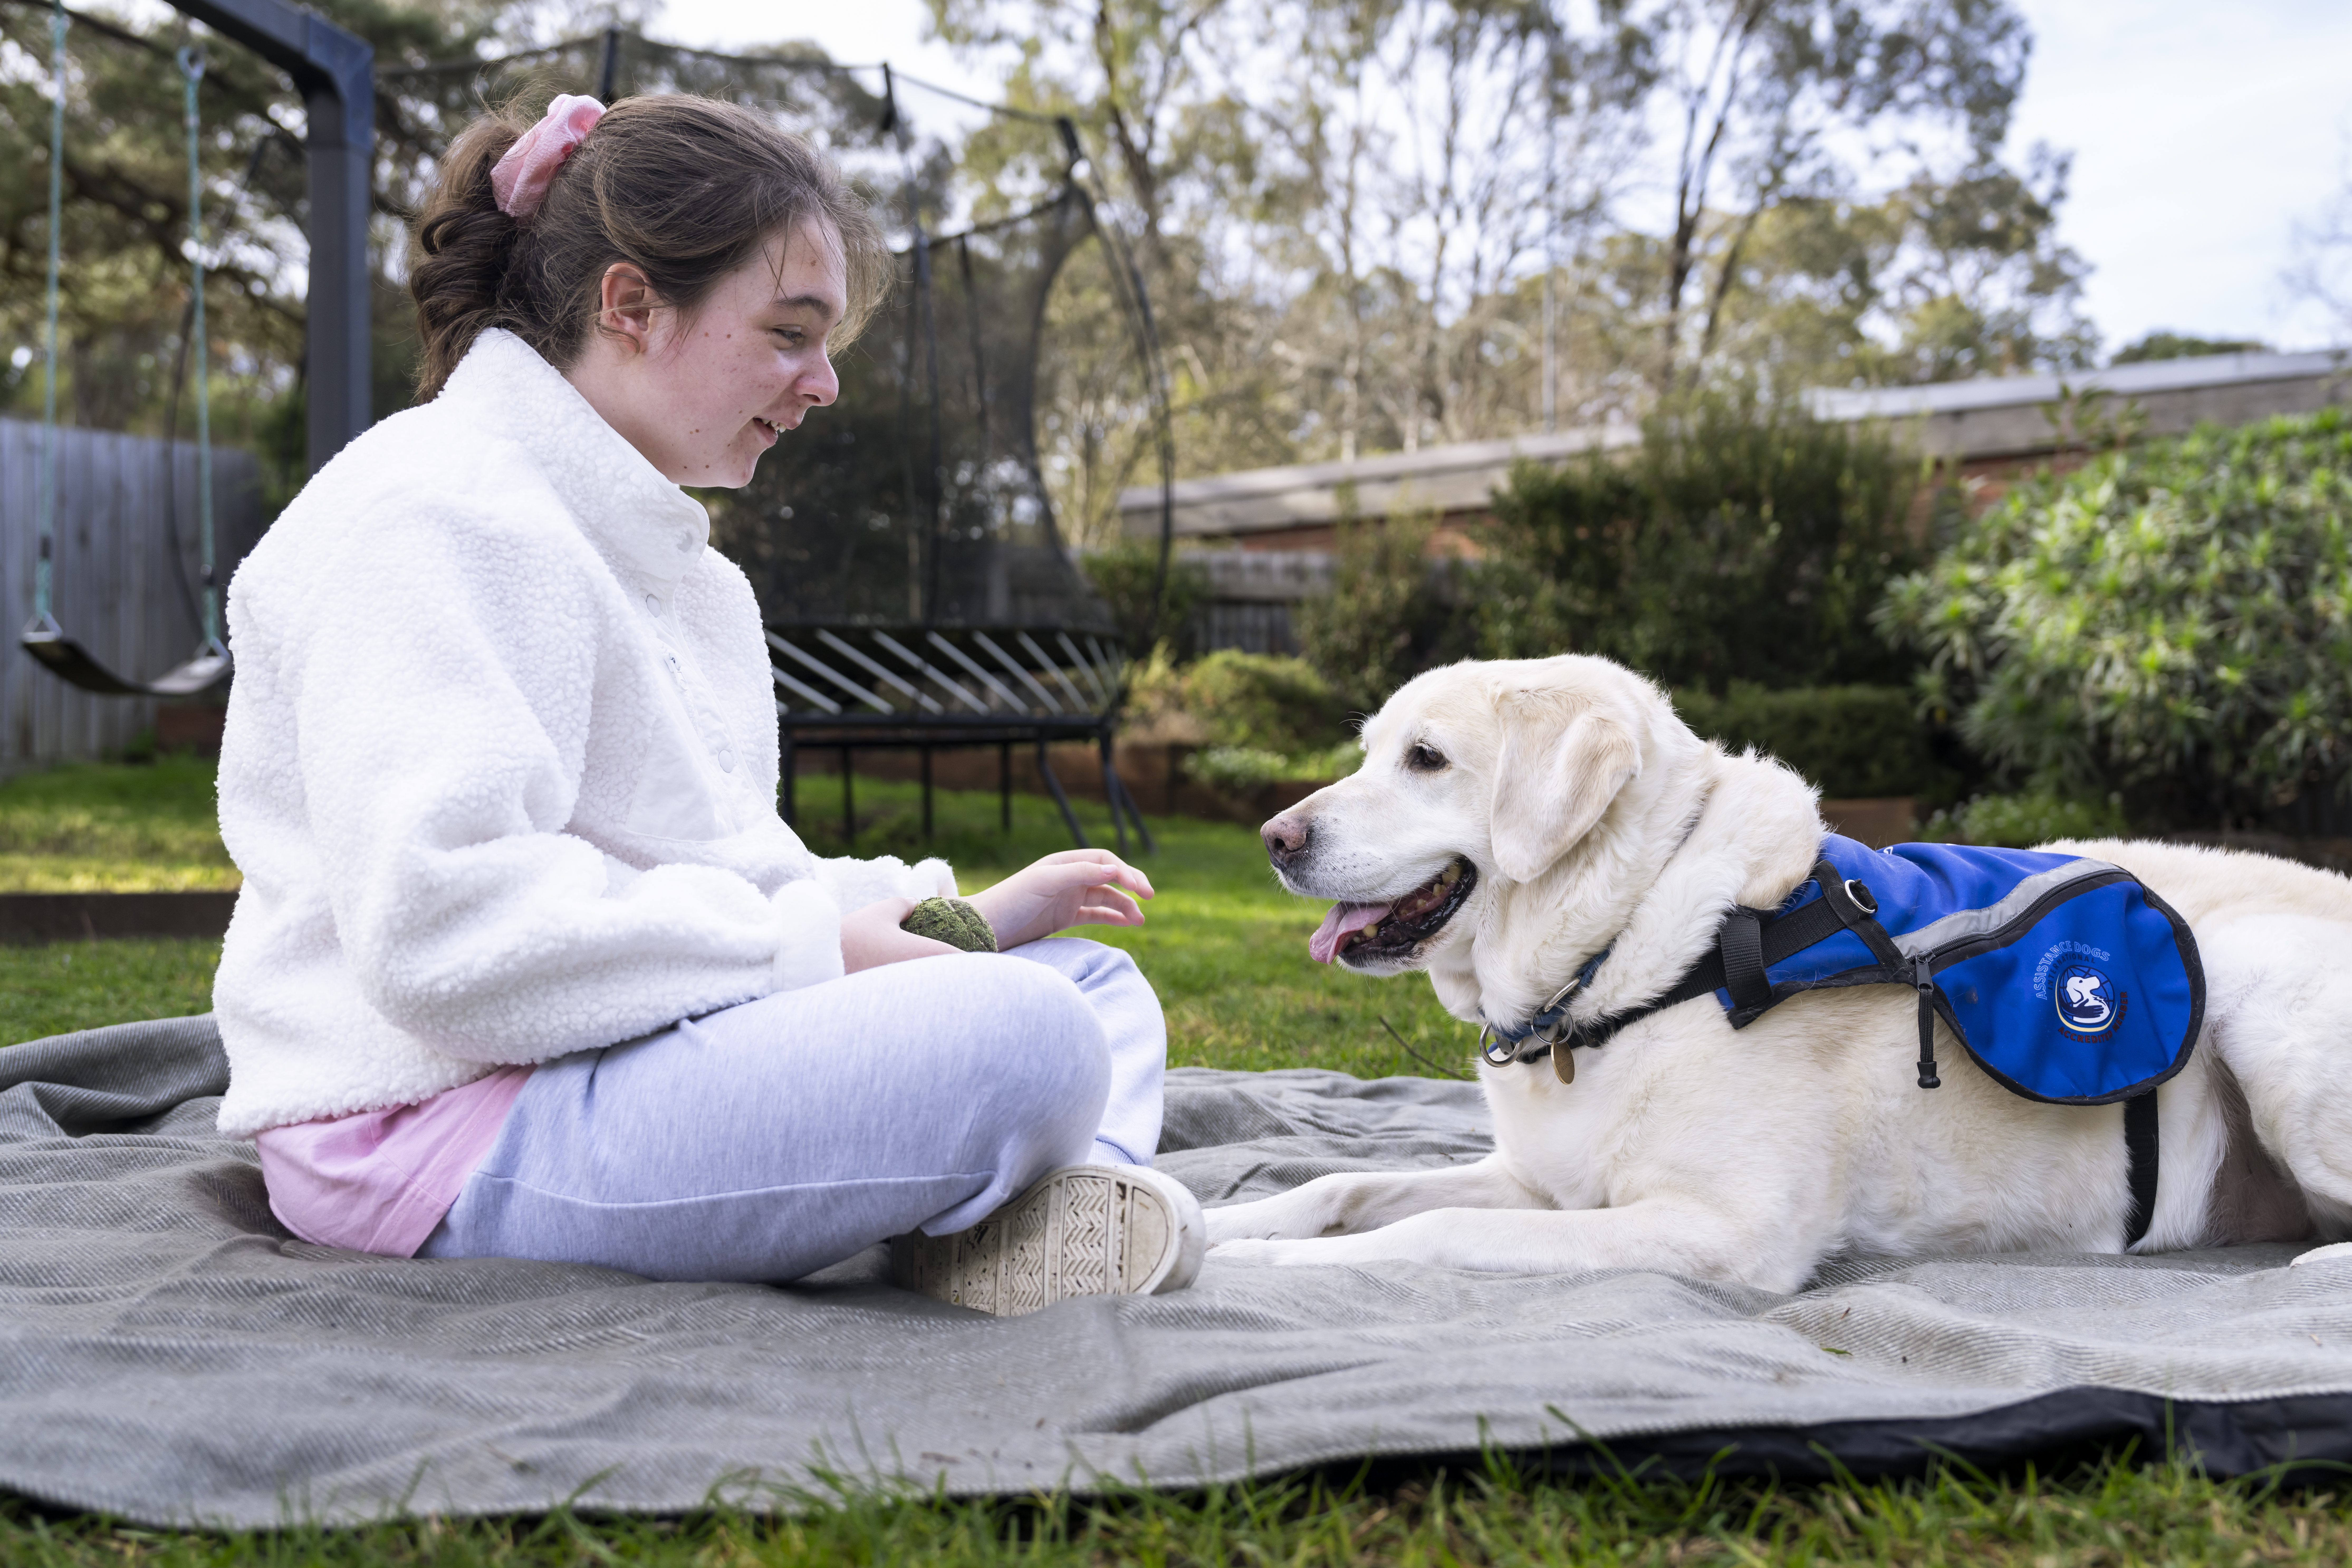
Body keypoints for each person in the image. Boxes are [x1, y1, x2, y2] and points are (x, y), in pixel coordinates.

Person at [209, 92, 1201, 1315]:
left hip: (616, 1049)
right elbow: (441, 931)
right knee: (1030, 1038)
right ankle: (995, 1195)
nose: (824, 382)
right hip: (440, 1119)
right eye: (790, 333)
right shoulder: (433, 515)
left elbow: (726, 874)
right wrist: (826, 950)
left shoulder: (675, 569)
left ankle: (1056, 1214)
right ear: (630, 305)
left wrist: (949, 917)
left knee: (1086, 979)